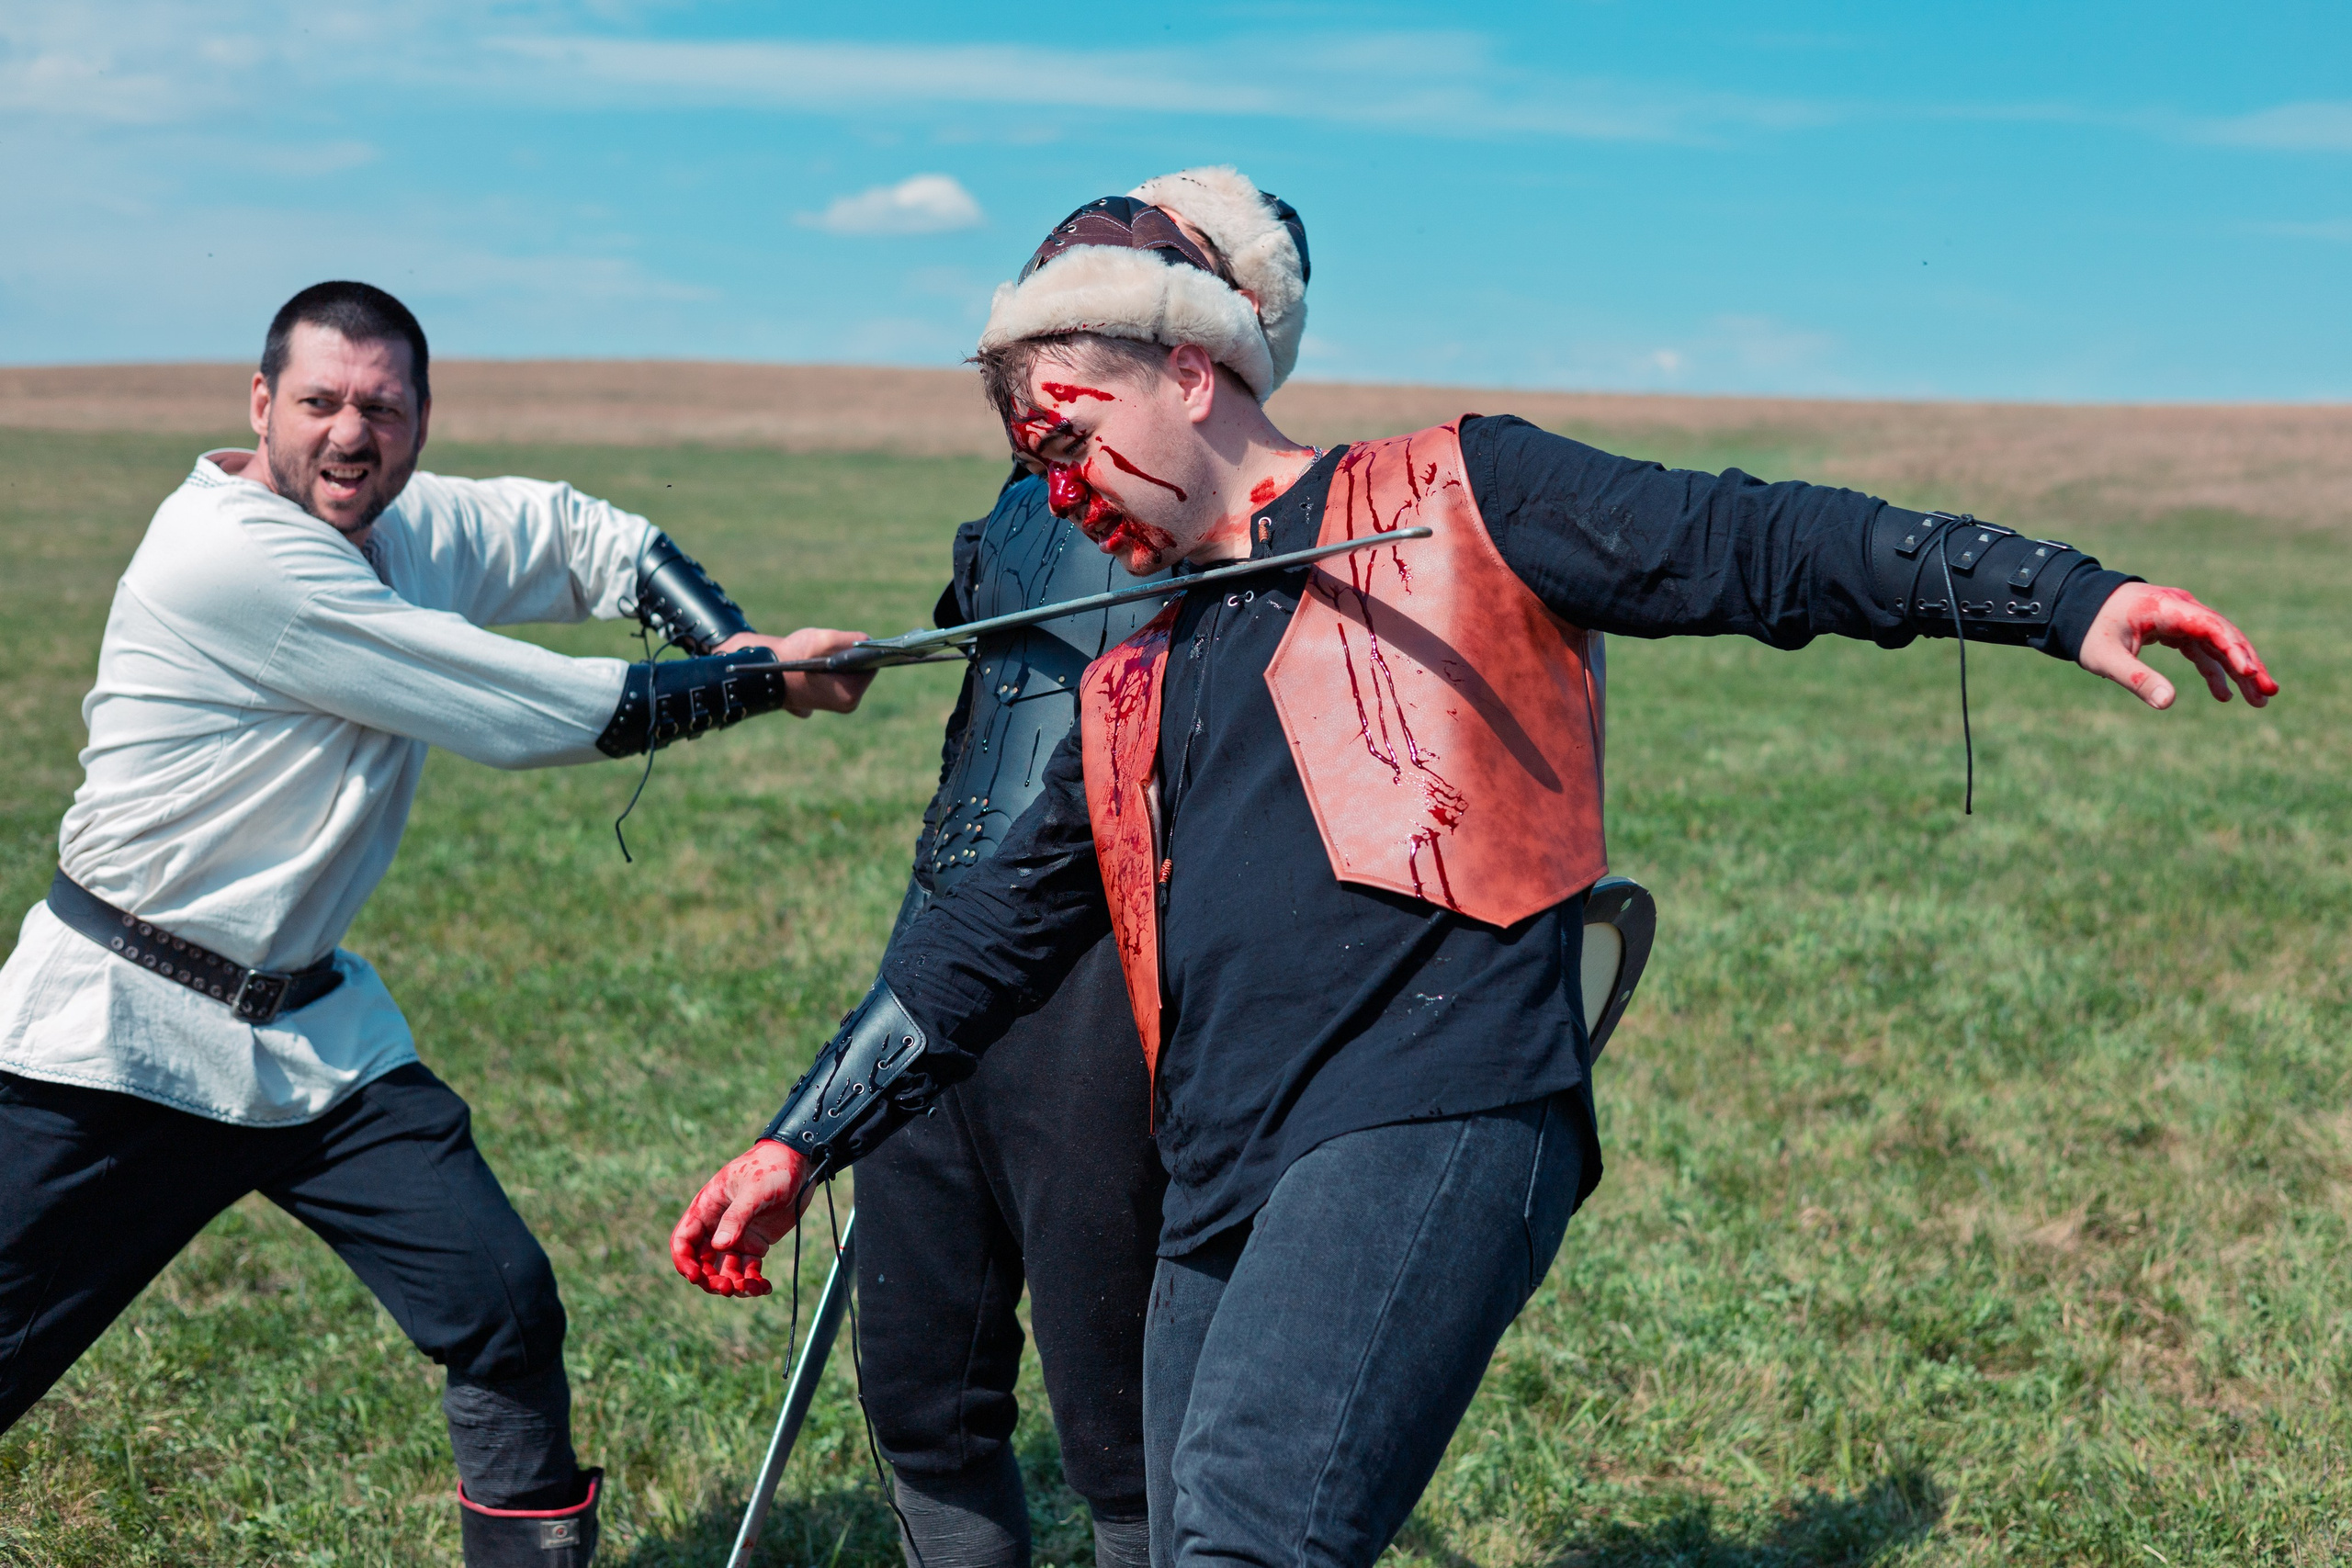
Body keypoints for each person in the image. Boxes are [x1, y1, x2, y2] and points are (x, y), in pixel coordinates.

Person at [671, 169, 2278, 1568]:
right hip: (1220, 1166)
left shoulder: (1460, 494)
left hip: (1433, 1113)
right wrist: (802, 1140)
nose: (1054, 485)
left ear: (1189, 364)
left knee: (1245, 1537)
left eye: (1066, 434)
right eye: (1027, 456)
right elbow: (996, 928)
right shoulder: (1137, 662)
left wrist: (2062, 594)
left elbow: (1755, 543)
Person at [0, 281, 871, 1568]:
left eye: (382, 406)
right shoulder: (233, 553)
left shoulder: (401, 518)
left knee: (500, 1301)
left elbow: (585, 534)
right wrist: (757, 683)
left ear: (416, 418)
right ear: (259, 406)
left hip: (312, 1038)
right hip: (123, 1027)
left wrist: (722, 631)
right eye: (319, 403)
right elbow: (523, 707)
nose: (351, 434)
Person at [853, 464, 1177, 1568]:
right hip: (939, 935)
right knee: (917, 1387)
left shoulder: (1214, 495)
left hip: (1101, 974)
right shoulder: (1012, 501)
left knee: (1125, 1429)